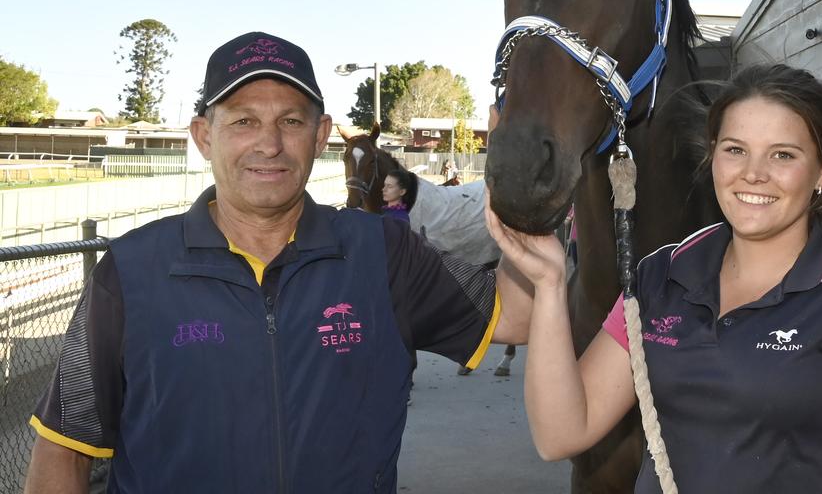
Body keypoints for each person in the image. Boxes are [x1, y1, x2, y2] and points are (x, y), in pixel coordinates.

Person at [24, 31, 531, 494]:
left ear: (320, 135)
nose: (269, 144)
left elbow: (520, 314)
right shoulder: (131, 270)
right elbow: (66, 445)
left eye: (290, 120)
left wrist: (518, 167)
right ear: (204, 136)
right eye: (244, 120)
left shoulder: (382, 253)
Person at [485, 64, 822, 493]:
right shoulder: (661, 277)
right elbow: (561, 433)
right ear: (712, 158)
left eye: (783, 154)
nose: (753, 174)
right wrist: (547, 285)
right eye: (735, 149)